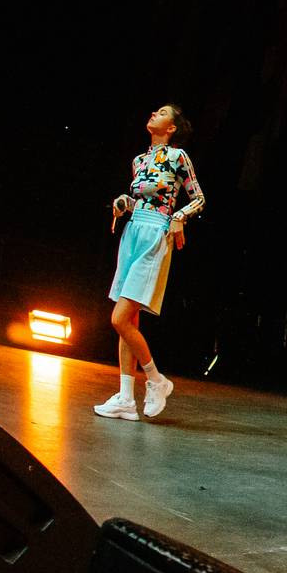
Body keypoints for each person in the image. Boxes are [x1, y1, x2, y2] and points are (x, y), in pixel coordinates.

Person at [94, 104, 204, 421]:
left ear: (171, 128)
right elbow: (141, 198)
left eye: (162, 113)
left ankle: (156, 380)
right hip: (133, 233)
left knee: (119, 318)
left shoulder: (177, 157)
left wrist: (180, 217)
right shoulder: (139, 161)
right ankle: (126, 398)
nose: (154, 114)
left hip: (156, 234)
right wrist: (123, 203)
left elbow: (198, 198)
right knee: (128, 323)